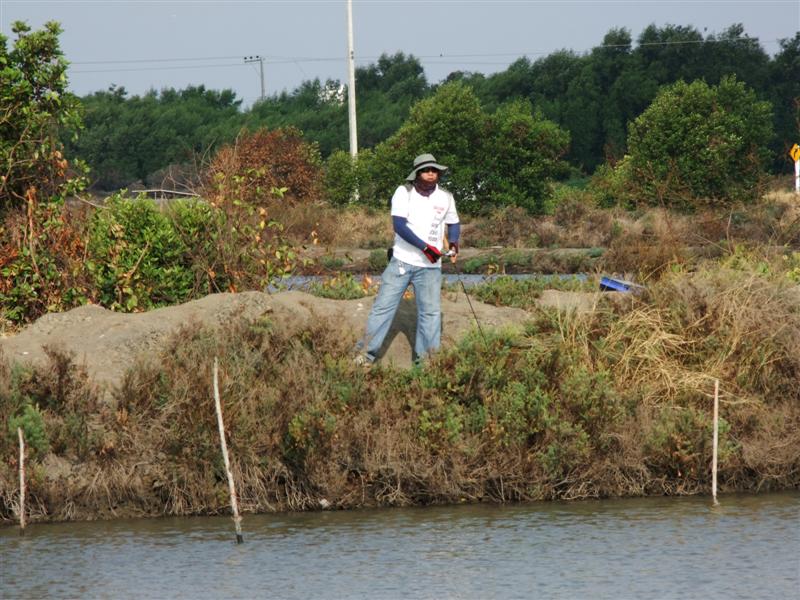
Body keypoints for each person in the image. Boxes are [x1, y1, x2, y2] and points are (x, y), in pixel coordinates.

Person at [355, 153, 460, 365]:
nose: (431, 174)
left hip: (431, 266)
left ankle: (427, 363)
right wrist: (424, 247)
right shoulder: (404, 192)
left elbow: (454, 223)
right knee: (383, 308)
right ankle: (365, 356)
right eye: (426, 170)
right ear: (417, 173)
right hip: (402, 261)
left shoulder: (446, 197)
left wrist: (454, 243)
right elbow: (399, 226)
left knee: (430, 314)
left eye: (434, 170)